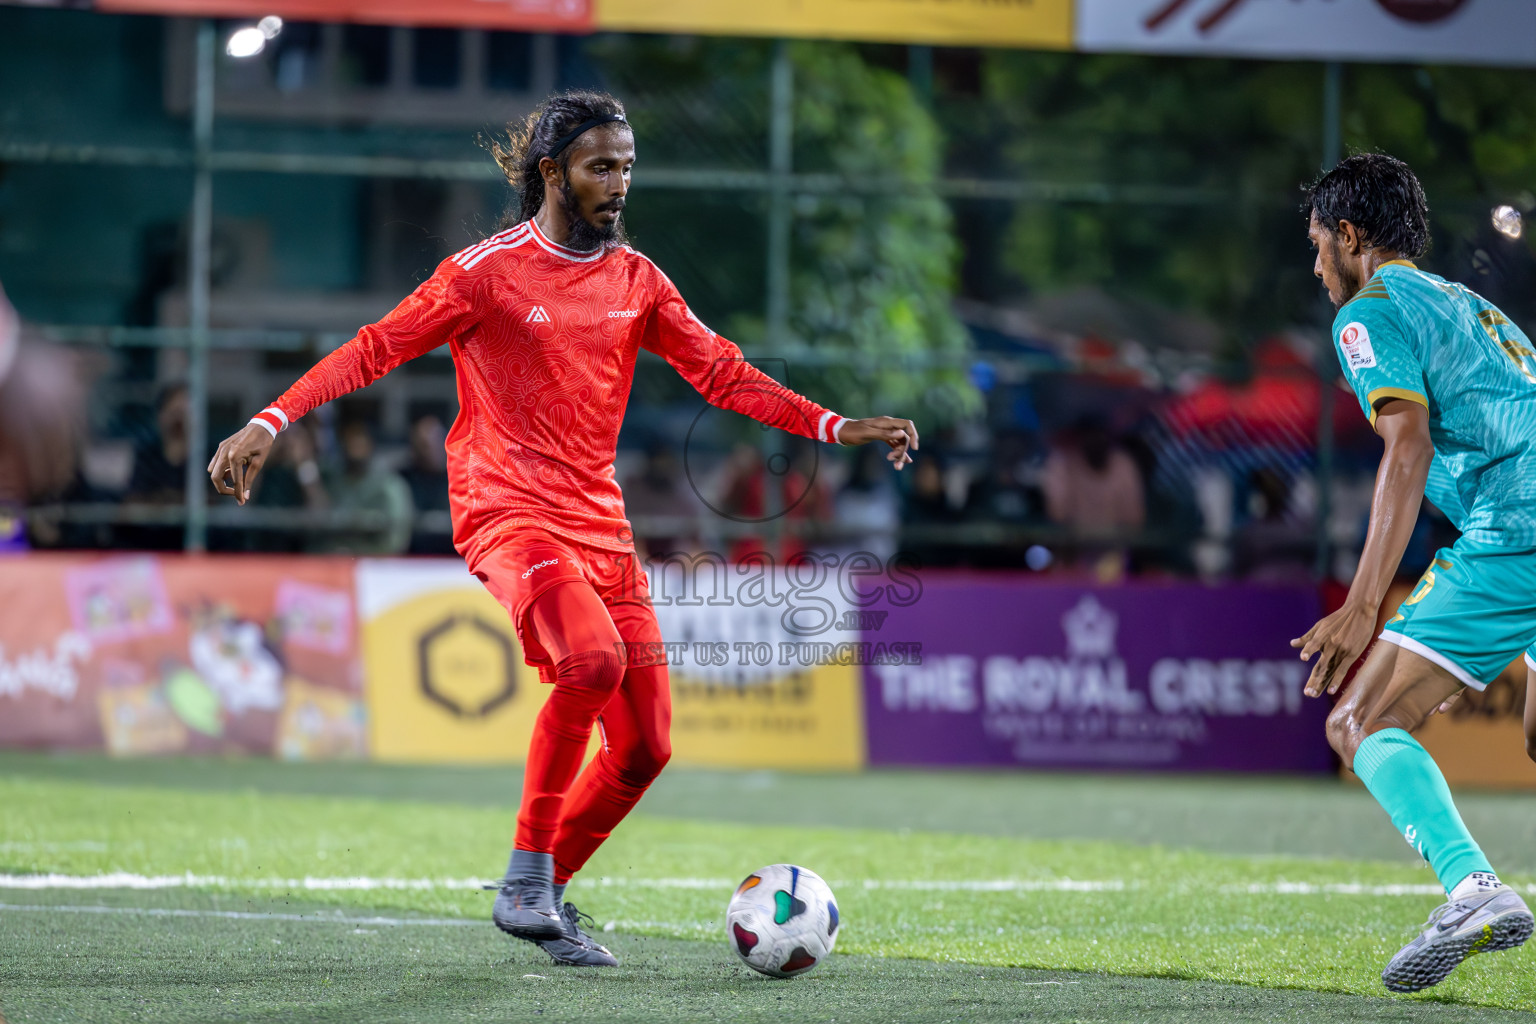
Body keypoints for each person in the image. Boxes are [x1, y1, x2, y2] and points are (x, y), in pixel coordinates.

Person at [206, 90, 917, 968]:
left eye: (626, 167)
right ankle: (525, 877)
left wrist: (835, 425)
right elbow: (373, 347)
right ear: (552, 172)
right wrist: (270, 421)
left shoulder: (638, 280)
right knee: (590, 662)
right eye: (599, 167)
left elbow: (725, 374)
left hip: (601, 529)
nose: (618, 184)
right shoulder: (484, 273)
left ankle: (540, 891)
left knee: (648, 745)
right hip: (507, 514)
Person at [1292, 153, 1534, 993]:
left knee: (1358, 722)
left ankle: (1472, 891)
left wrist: (1364, 605)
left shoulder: (1370, 312)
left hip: (1518, 531)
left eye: (1319, 244)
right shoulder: (1473, 306)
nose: (1317, 264)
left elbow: (1410, 443)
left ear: (1351, 238)